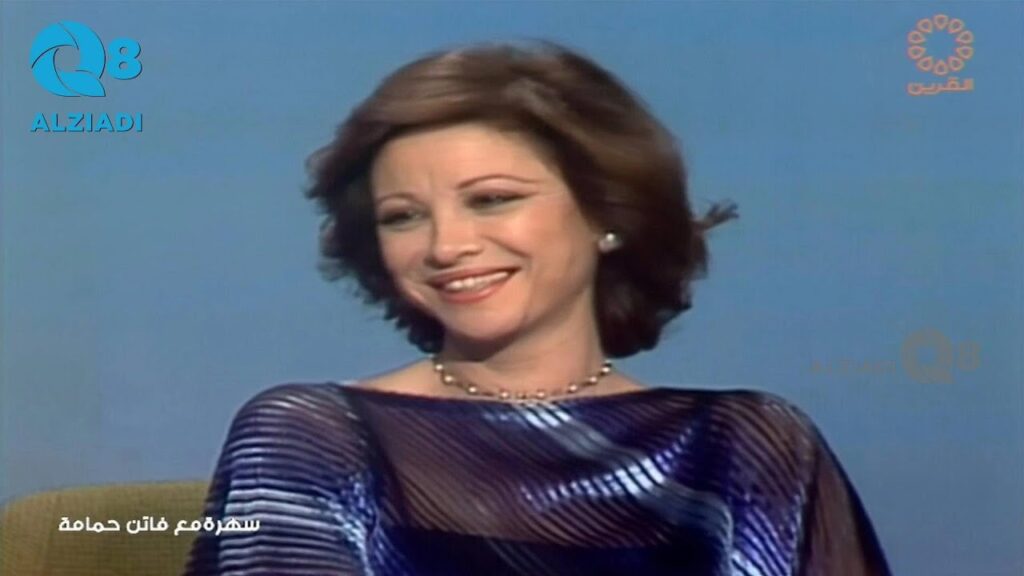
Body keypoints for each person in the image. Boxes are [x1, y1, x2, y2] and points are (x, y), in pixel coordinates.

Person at [183, 40, 891, 576]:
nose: (447, 245)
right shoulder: (312, 437)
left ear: (606, 213)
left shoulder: (745, 446)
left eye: (492, 199)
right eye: (403, 216)